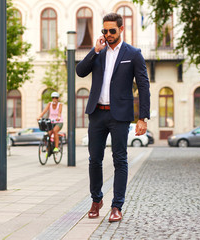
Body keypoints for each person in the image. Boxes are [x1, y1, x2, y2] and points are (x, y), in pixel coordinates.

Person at [76, 13, 150, 222]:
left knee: (120, 160)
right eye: (104, 31)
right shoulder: (98, 53)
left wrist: (143, 117)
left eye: (111, 31)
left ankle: (116, 206)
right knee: (94, 160)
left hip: (120, 115)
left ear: (121, 29)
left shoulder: (133, 54)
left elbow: (143, 86)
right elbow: (80, 72)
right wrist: (93, 51)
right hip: (97, 113)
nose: (107, 35)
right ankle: (96, 199)